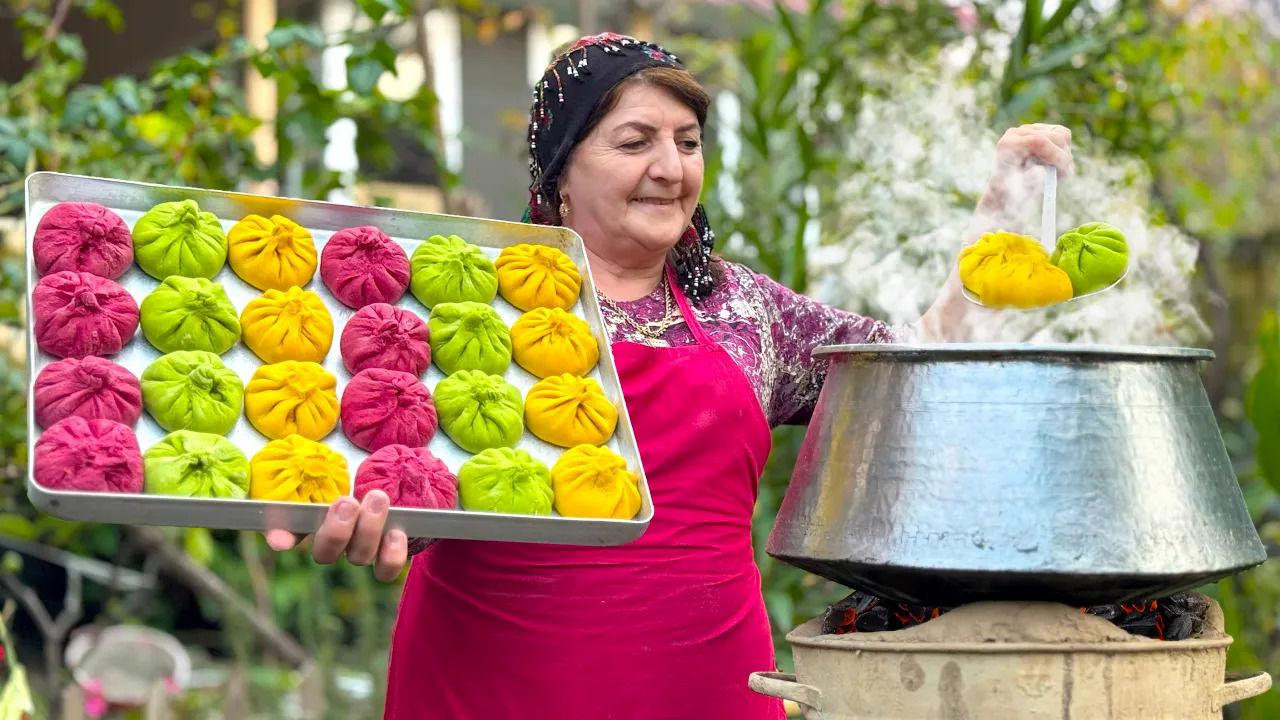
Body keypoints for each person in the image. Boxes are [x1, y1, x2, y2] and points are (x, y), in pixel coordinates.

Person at [265, 33, 1075, 719]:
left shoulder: (745, 309)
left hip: (709, 687)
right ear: (560, 172)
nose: (670, 167)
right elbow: (387, 467)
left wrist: (1003, 218)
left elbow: (912, 375)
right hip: (495, 685)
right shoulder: (471, 297)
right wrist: (350, 513)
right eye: (634, 141)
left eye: (687, 142)